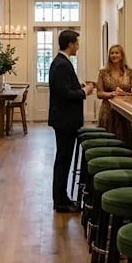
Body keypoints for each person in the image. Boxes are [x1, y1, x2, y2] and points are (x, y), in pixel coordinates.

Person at [48, 29, 94, 213]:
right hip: (65, 120)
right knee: (63, 160)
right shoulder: (61, 64)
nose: (78, 47)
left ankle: (63, 197)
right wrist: (84, 92)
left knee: (64, 159)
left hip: (65, 120)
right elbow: (64, 93)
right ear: (70, 44)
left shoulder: (61, 63)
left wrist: (79, 85)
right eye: (77, 43)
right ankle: (60, 201)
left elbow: (65, 86)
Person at [96, 45, 132, 134]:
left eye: (117, 53)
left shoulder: (129, 72)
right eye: (112, 53)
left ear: (122, 55)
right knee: (107, 138)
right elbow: (99, 93)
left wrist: (123, 93)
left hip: (124, 111)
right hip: (107, 110)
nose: (114, 55)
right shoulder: (103, 72)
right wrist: (111, 94)